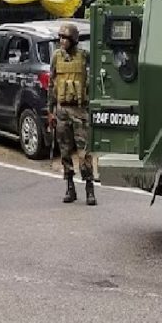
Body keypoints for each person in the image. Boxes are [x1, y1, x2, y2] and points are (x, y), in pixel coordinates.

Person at [48, 21, 96, 206]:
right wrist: (50, 111)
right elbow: (51, 84)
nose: (61, 41)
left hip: (80, 110)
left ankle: (89, 188)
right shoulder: (56, 57)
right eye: (60, 37)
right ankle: (70, 187)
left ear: (73, 40)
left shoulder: (84, 56)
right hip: (62, 111)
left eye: (65, 38)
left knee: (84, 152)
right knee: (65, 151)